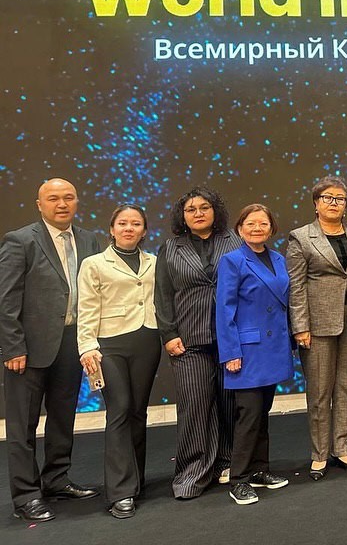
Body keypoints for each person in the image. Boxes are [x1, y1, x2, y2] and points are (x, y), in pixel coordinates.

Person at [0, 178, 100, 522]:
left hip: (71, 346)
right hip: (27, 351)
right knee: (22, 427)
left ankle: (56, 480)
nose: (62, 204)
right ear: (39, 205)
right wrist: (12, 346)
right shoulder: (20, 240)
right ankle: (26, 496)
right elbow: (6, 299)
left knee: (62, 418)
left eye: (68, 197)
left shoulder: (89, 239)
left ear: (77, 202)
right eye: (53, 198)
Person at [155, 187, 241, 499]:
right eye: (191, 209)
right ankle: (192, 474)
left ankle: (227, 463)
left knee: (230, 403)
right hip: (189, 339)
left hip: (230, 337)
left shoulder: (234, 241)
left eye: (205, 207)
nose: (198, 213)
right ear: (183, 216)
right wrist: (169, 334)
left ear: (215, 211)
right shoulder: (170, 248)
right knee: (195, 407)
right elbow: (163, 295)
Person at [77, 204, 161, 519]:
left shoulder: (154, 262)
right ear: (111, 229)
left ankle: (135, 480)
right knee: (120, 408)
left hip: (147, 340)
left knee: (138, 411)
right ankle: (120, 491)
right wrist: (86, 346)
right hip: (108, 345)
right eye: (122, 223)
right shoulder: (94, 264)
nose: (129, 228)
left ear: (144, 230)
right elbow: (86, 306)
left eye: (135, 223)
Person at [287, 177, 347, 481]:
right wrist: (300, 327)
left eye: (340, 198)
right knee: (319, 392)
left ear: (346, 205)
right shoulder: (301, 238)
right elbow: (296, 286)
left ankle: (342, 448)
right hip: (317, 325)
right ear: (316, 203)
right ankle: (319, 454)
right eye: (327, 198)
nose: (334, 203)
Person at [216, 204, 294, 505]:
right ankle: (239, 479)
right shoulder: (232, 261)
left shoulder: (278, 259)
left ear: (271, 228)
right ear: (240, 229)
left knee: (262, 412)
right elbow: (224, 310)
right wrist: (230, 352)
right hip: (247, 351)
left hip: (272, 349)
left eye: (263, 223)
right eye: (250, 223)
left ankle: (260, 470)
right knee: (248, 416)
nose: (257, 228)